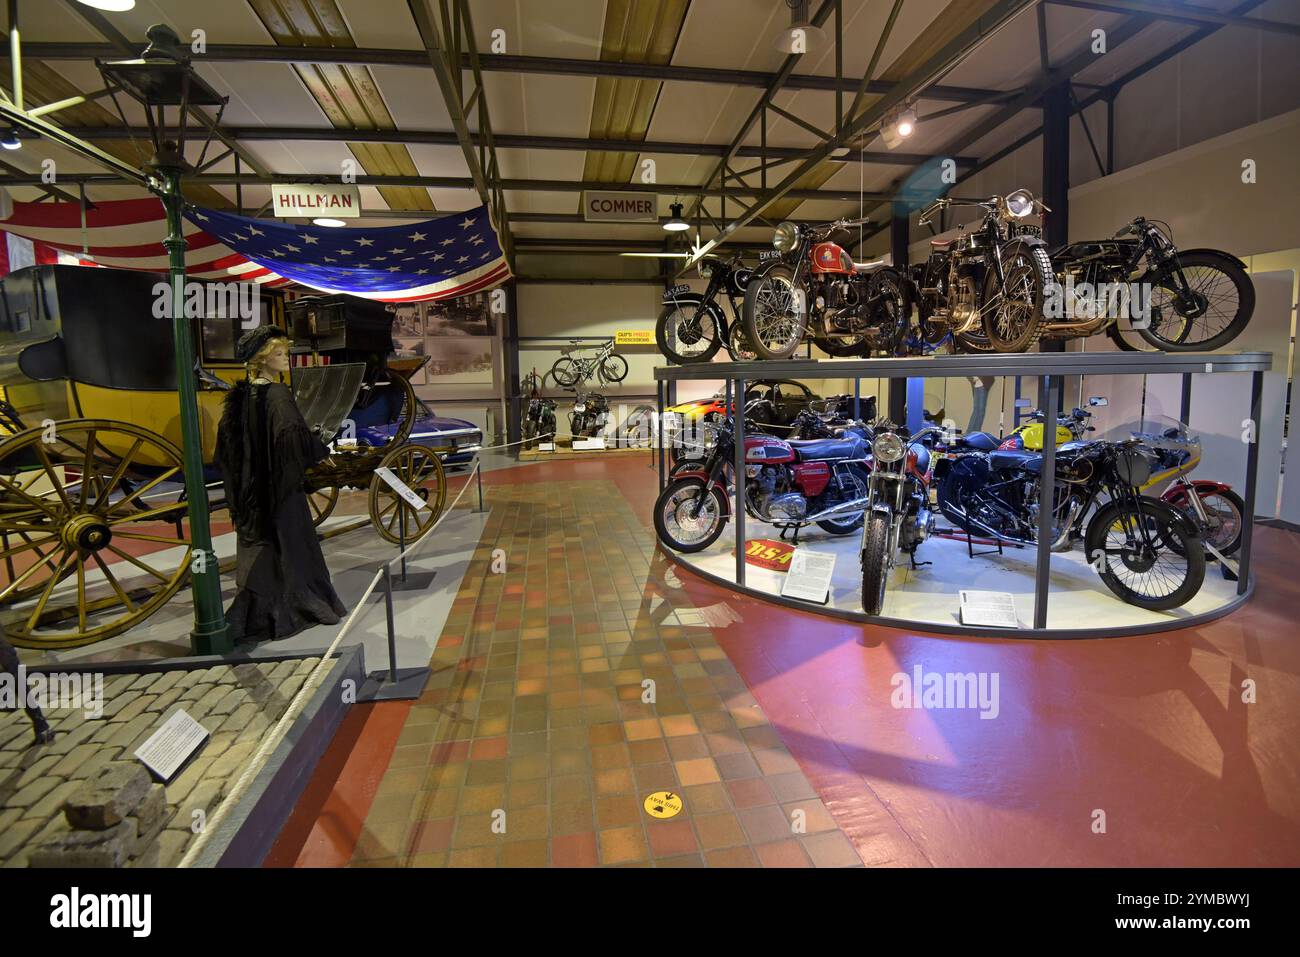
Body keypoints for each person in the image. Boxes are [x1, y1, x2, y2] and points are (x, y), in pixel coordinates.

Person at [215, 326, 346, 643]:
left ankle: (258, 607)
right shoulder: (277, 394)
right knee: (291, 543)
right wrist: (318, 450)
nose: (286, 359)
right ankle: (298, 604)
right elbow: (291, 438)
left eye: (285, 353)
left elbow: (227, 443)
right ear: (261, 359)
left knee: (262, 543)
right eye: (279, 354)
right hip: (280, 490)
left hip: (252, 489)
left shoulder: (243, 395)